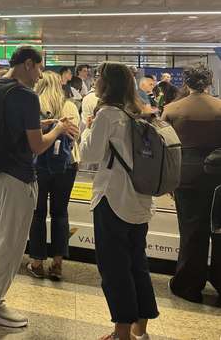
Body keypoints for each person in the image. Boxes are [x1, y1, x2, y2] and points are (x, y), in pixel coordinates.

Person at [0, 46, 78, 328]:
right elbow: (36, 145)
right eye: (39, 68)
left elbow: (1, 124)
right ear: (28, 64)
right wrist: (57, 130)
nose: (40, 75)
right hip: (18, 178)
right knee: (10, 242)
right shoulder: (26, 95)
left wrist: (40, 122)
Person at [80, 62, 158, 340]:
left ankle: (121, 332)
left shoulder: (108, 114)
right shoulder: (141, 112)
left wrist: (88, 128)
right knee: (138, 262)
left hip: (112, 199)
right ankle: (140, 328)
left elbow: (89, 154)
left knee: (114, 268)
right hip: (140, 200)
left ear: (106, 84)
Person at [162, 65, 221, 304]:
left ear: (185, 83)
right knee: (219, 229)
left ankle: (188, 284)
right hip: (217, 175)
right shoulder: (219, 107)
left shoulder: (172, 109)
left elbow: (164, 147)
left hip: (185, 176)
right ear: (210, 82)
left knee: (191, 231)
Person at [27, 71, 81, 281]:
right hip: (66, 165)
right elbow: (75, 136)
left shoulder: (33, 105)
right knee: (60, 212)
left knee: (37, 213)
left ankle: (37, 262)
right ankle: (57, 264)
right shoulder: (69, 106)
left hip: (38, 163)